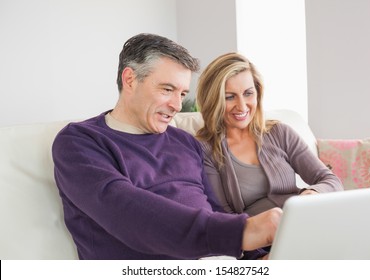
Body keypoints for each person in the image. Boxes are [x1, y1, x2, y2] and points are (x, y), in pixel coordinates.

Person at [52, 33, 282, 260]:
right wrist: (242, 232)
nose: (177, 105)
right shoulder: (79, 142)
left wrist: (257, 258)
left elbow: (214, 210)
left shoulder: (184, 141)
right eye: (167, 89)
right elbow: (127, 213)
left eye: (182, 94)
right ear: (130, 79)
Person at [196, 53, 343, 217]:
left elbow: (330, 181)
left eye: (248, 93)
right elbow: (222, 214)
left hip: (304, 221)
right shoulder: (205, 150)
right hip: (261, 238)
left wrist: (311, 194)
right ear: (212, 100)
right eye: (230, 97)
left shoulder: (279, 133)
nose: (242, 106)